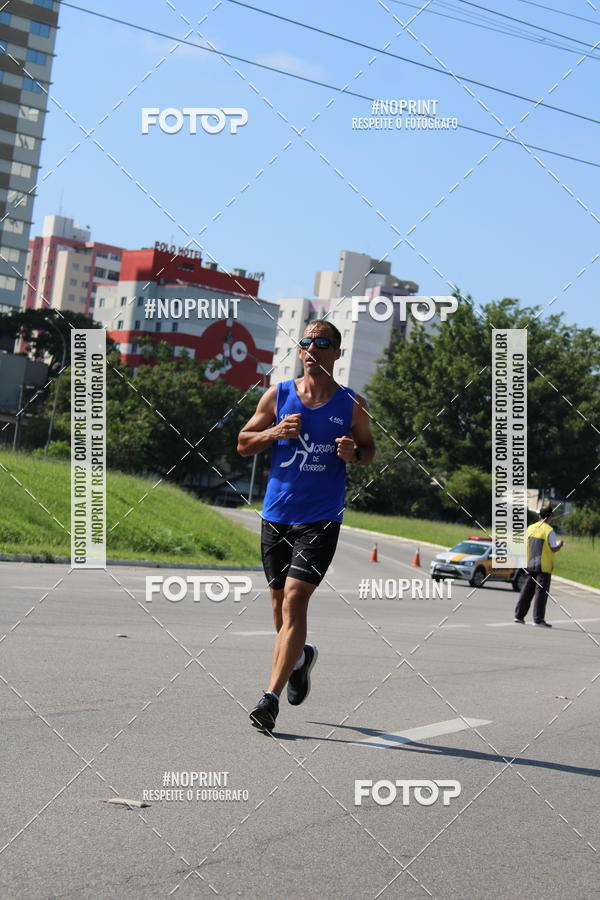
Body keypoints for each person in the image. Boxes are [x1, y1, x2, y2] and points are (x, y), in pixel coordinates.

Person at [237, 319, 376, 732]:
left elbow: (369, 450)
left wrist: (355, 453)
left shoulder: (352, 405)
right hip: (276, 514)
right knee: (279, 608)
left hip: (321, 518)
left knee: (296, 600)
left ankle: (269, 700)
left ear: (337, 353)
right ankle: (300, 658)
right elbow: (243, 443)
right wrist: (276, 432)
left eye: (322, 343)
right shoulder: (278, 395)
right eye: (306, 342)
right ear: (300, 351)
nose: (312, 348)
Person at [514, 505, 564, 627]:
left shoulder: (530, 528)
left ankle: (519, 616)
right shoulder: (549, 530)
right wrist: (560, 544)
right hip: (544, 566)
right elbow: (553, 548)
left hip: (530, 563)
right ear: (550, 517)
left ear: (539, 515)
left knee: (526, 591)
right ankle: (538, 619)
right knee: (541, 593)